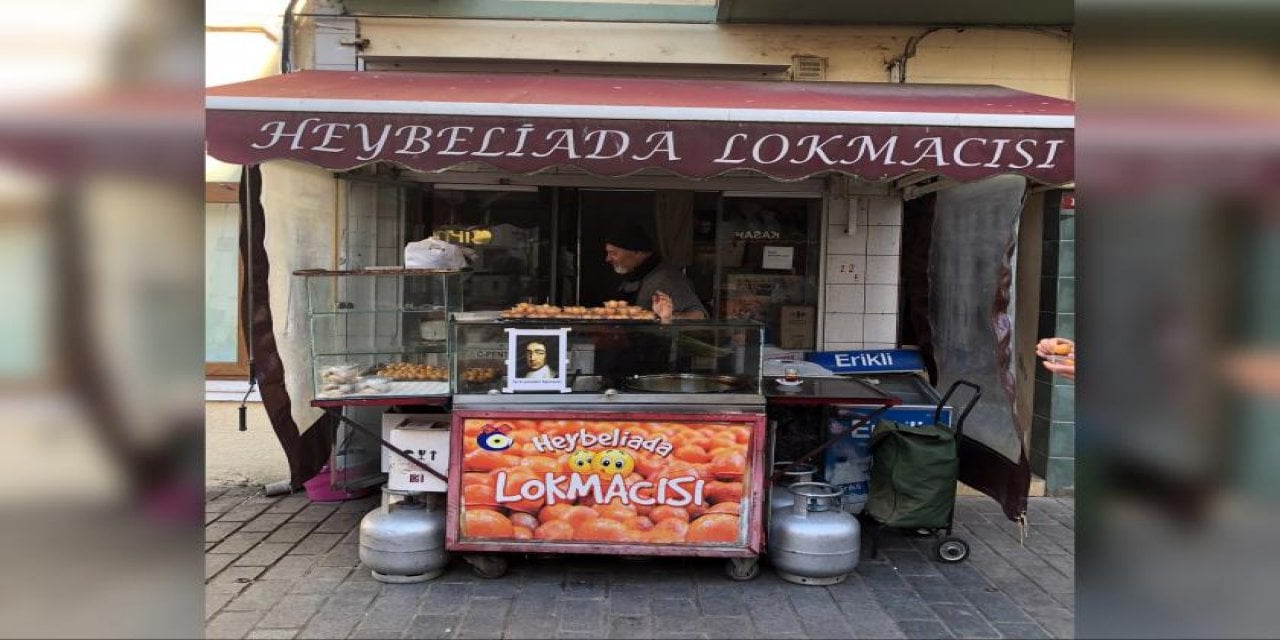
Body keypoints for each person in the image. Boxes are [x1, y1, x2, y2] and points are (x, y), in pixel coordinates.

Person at [604, 224, 708, 324]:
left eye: (613, 253)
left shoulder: (667, 278)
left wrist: (668, 317)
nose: (607, 259)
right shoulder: (633, 276)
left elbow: (700, 316)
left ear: (637, 252)